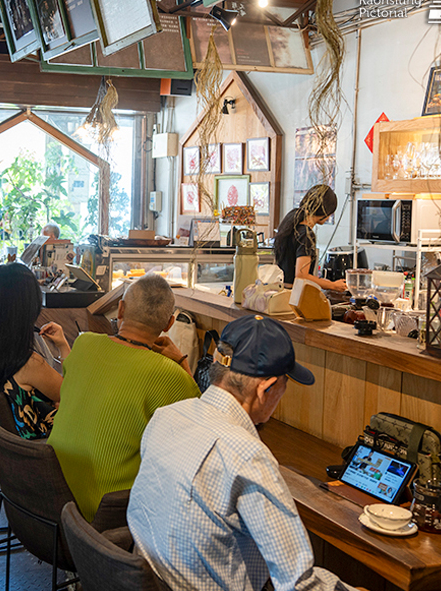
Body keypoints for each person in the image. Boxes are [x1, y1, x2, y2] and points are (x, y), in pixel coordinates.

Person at [127, 315, 356, 591]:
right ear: (267, 388)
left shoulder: (166, 416)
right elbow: (297, 584)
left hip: (147, 580)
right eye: (285, 384)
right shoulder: (247, 455)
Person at [47, 274, 200, 520]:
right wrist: (182, 361)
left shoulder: (84, 343)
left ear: (120, 309)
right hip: (106, 514)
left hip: (52, 496)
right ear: (169, 323)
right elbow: (202, 429)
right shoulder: (170, 375)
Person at [0, 263, 69, 439]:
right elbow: (73, 393)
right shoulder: (28, 362)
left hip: (9, 447)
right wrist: (63, 346)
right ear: (28, 306)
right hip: (43, 449)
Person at [273, 184, 347, 291]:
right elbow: (302, 275)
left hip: (281, 290)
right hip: (294, 295)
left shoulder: (290, 223)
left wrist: (323, 281)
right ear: (325, 212)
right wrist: (333, 285)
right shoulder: (306, 235)